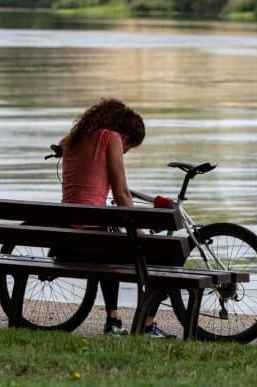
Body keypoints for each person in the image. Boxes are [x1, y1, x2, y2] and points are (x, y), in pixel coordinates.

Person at [58, 98, 175, 338]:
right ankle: (147, 324)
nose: (125, 152)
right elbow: (121, 193)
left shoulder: (72, 139)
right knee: (171, 255)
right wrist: (140, 233)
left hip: (66, 238)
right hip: (92, 240)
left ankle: (113, 320)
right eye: (128, 148)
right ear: (126, 137)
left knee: (109, 240)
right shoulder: (110, 138)